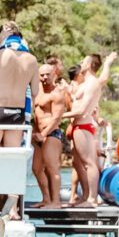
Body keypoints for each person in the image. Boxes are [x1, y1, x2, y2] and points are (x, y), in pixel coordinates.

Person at [0, 22, 39, 217]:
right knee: (13, 163)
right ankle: (13, 209)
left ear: (3, 35)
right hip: (17, 113)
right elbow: (36, 92)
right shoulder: (31, 60)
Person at [62, 52, 117, 207]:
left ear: (90, 65)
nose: (82, 62)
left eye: (85, 61)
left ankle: (92, 199)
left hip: (84, 126)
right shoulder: (85, 83)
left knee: (89, 163)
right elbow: (76, 100)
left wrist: (61, 115)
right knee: (80, 163)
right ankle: (87, 197)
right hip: (79, 126)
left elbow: (82, 110)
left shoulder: (92, 83)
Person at [31, 64, 67, 209]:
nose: (45, 77)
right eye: (42, 75)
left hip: (51, 134)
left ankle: (56, 202)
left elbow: (56, 118)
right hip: (38, 135)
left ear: (54, 75)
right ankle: (46, 199)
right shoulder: (37, 91)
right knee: (37, 169)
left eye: (48, 74)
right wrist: (35, 133)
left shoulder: (56, 94)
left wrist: (43, 134)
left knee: (52, 169)